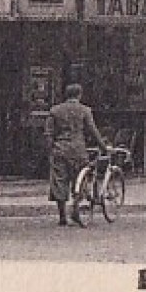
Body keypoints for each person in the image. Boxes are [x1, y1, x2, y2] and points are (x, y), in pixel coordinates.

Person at [47, 83, 107, 227]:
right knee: (80, 180)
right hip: (78, 150)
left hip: (60, 149)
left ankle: (62, 216)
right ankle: (75, 207)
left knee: (59, 182)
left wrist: (50, 149)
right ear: (79, 95)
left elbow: (49, 133)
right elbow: (93, 130)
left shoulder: (55, 111)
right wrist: (103, 146)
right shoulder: (85, 110)